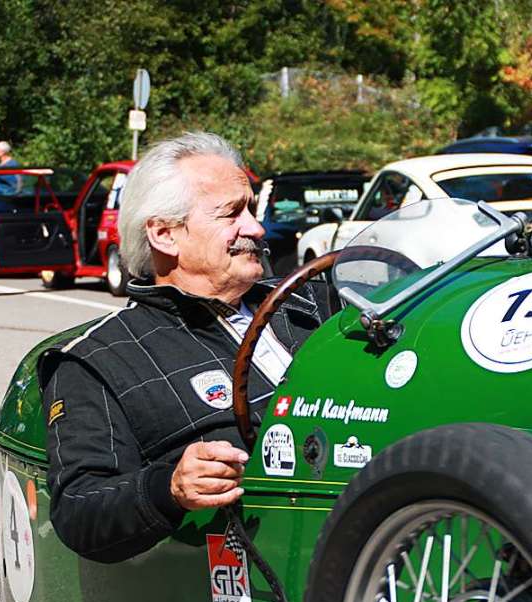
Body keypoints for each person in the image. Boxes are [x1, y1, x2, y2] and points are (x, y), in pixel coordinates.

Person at [40, 132, 327, 563]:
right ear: (165, 235)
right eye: (232, 213)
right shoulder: (98, 359)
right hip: (254, 589)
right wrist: (170, 487)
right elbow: (79, 509)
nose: (255, 227)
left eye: (251, 208)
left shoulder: (314, 301)